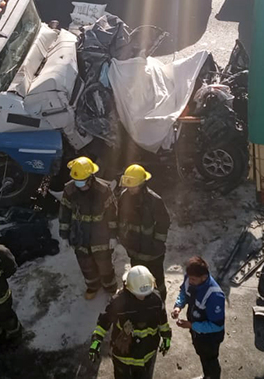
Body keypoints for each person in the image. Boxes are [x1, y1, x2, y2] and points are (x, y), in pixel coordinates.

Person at [88, 265, 172, 379]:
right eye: (139, 294)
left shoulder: (156, 300)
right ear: (129, 288)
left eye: (146, 293)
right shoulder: (118, 302)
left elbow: (162, 320)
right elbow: (104, 321)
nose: (143, 297)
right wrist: (96, 340)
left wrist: (166, 336)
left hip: (147, 353)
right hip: (123, 356)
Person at [59, 156, 118, 299]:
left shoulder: (103, 190)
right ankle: (92, 286)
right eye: (77, 181)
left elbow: (112, 214)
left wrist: (113, 236)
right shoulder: (69, 190)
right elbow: (64, 212)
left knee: (104, 263)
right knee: (85, 263)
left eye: (82, 181)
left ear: (90, 177)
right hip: (79, 234)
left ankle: (110, 287)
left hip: (100, 234)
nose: (79, 185)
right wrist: (64, 235)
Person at [117, 164, 171, 301]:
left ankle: (160, 301)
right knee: (139, 278)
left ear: (142, 184)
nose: (130, 189)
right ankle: (141, 302)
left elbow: (163, 222)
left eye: (133, 186)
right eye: (128, 186)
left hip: (153, 252)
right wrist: (123, 238)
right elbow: (121, 219)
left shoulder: (154, 201)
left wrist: (157, 243)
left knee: (157, 279)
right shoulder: (124, 197)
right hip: (134, 249)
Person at [172, 256, 225, 379]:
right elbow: (184, 292)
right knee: (202, 355)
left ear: (204, 277)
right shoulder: (190, 277)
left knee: (210, 360)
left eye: (193, 279)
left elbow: (217, 326)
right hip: (197, 332)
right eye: (189, 278)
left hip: (210, 338)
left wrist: (192, 325)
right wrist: (178, 306)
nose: (190, 281)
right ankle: (207, 376)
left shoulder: (215, 296)